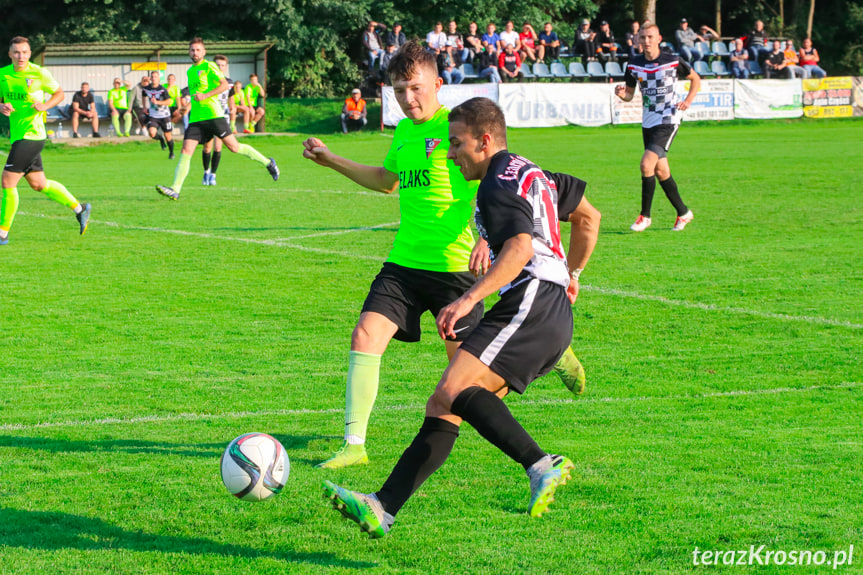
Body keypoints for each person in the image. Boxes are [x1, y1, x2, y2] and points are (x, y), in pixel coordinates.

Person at [302, 42, 587, 470]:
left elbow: (495, 178)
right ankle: (354, 444)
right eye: (399, 90)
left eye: (415, 88)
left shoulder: (459, 129)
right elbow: (386, 181)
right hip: (404, 263)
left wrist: (487, 239)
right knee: (365, 336)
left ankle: (552, 353)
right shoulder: (403, 132)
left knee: (470, 387)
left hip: (455, 270)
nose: (408, 99)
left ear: (438, 83)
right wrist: (331, 161)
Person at [322, 97, 580, 537]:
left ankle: (541, 465)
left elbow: (519, 249)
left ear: (483, 141)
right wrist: (571, 274)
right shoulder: (531, 169)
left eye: (456, 143)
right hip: (546, 304)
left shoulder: (497, 181)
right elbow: (589, 217)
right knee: (446, 401)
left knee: (455, 389)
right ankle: (382, 507)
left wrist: (467, 300)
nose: (449, 152)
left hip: (530, 300)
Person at [155, 38, 279, 200]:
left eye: (198, 50)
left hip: (214, 116)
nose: (195, 53)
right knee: (186, 151)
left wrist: (206, 95)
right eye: (192, 50)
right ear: (189, 52)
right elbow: (195, 95)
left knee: (234, 147)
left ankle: (268, 163)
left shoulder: (209, 66)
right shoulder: (190, 71)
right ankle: (175, 189)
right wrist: (187, 108)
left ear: (204, 52)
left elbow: (223, 85)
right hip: (196, 119)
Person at [0, 36, 91, 246]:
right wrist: (1, 107)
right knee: (39, 184)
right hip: (18, 135)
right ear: (10, 54)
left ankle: (2, 233)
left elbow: (59, 93)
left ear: (30, 53)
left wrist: (45, 105)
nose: (20, 56)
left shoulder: (39, 72)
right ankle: (80, 208)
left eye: (24, 52)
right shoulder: (3, 74)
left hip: (32, 135)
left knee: (7, 181)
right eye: (16, 52)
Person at [616, 24, 699, 232]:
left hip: (669, 119)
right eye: (642, 37)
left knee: (646, 165)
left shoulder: (672, 60)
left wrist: (688, 101)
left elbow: (695, 79)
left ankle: (645, 216)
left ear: (659, 38)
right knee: (661, 171)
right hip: (648, 121)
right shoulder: (633, 65)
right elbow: (629, 95)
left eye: (650, 37)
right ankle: (683, 212)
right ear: (637, 40)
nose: (646, 41)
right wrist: (620, 94)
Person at [201, 55, 237, 186]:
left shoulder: (229, 82)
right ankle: (206, 171)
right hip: (208, 117)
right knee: (207, 148)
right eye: (218, 65)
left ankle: (213, 175)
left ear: (226, 67)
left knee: (218, 146)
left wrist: (232, 107)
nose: (220, 67)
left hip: (222, 117)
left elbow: (231, 96)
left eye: (222, 65)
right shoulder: (208, 80)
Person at [142, 71, 175, 159]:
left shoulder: (162, 90)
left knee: (168, 136)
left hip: (164, 115)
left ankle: (171, 152)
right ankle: (160, 139)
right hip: (153, 115)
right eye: (152, 77)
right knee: (152, 134)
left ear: (159, 78)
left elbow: (168, 101)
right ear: (150, 78)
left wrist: (157, 102)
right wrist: (144, 106)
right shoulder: (146, 89)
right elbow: (144, 95)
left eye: (156, 77)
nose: (154, 78)